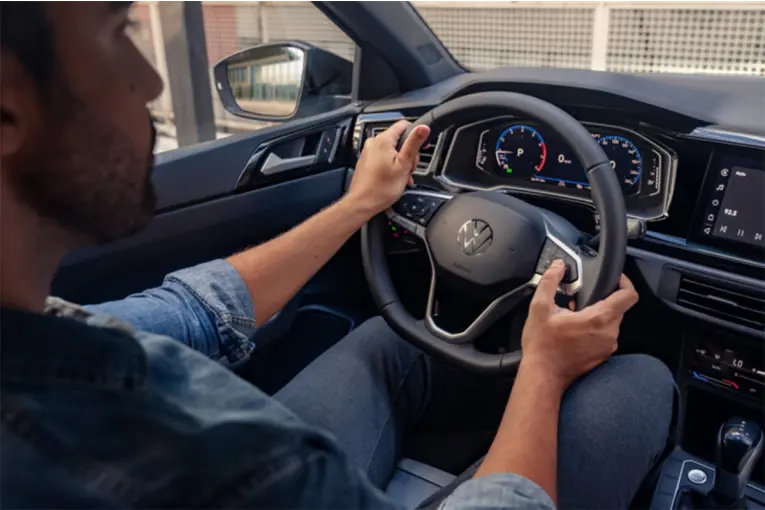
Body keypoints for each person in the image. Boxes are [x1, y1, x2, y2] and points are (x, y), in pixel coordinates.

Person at [0, 1, 676, 508]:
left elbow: (196, 311)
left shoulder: (45, 330)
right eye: (117, 31)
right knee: (639, 383)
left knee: (391, 337)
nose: (150, 82)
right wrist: (543, 370)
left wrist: (359, 205)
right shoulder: (237, 474)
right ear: (7, 109)